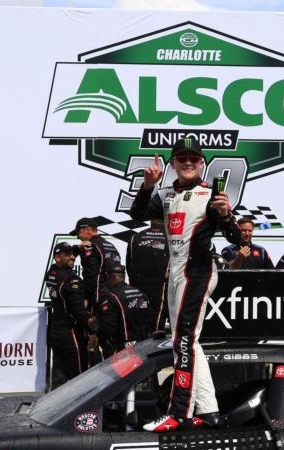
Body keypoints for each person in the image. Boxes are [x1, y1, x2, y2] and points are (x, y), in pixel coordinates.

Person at [130, 137, 241, 432]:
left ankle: (179, 413)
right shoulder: (165, 194)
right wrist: (147, 186)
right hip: (176, 273)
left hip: (198, 272)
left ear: (201, 162)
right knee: (190, 343)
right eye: (182, 158)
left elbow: (237, 239)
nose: (188, 162)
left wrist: (226, 215)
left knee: (183, 342)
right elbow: (137, 215)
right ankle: (210, 411)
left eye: (194, 158)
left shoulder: (211, 194)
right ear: (173, 164)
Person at [45, 242, 92, 389]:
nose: (72, 257)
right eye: (68, 255)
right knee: (79, 377)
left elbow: (65, 260)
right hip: (72, 332)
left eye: (73, 254)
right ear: (58, 257)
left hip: (56, 331)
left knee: (59, 377)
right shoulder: (72, 280)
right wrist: (91, 331)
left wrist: (76, 249)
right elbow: (78, 311)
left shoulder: (51, 273)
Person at [94, 263, 150, 354]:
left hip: (123, 350)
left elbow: (109, 328)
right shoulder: (141, 293)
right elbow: (149, 318)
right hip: (143, 345)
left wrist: (97, 333)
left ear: (108, 276)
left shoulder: (111, 297)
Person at [69, 217, 121, 311]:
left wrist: (86, 298)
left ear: (87, 230)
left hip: (98, 298)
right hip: (114, 296)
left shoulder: (89, 247)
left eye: (78, 233)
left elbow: (91, 275)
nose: (77, 237)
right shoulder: (110, 245)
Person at [126, 219, 169, 332]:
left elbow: (129, 264)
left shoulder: (135, 237)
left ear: (151, 220)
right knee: (156, 321)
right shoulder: (172, 238)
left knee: (139, 319)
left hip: (138, 285)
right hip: (161, 285)